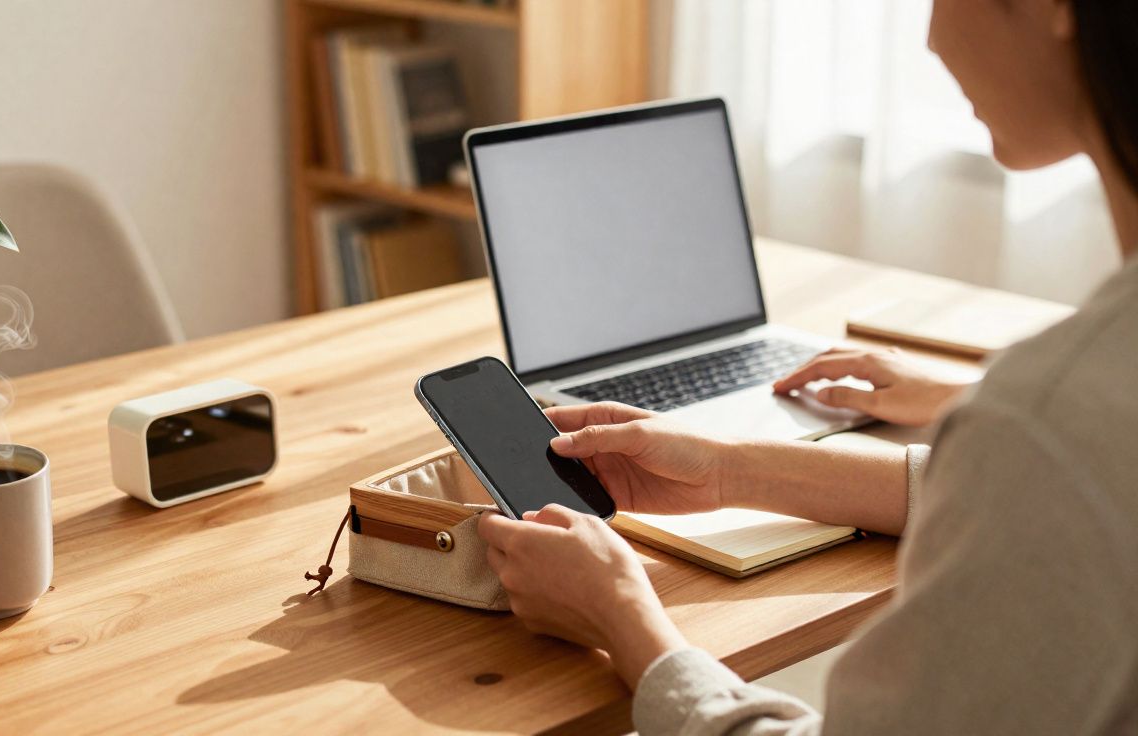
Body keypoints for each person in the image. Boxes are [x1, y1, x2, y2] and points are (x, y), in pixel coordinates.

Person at [477, 1, 1138, 733]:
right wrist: (730, 470)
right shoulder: (1069, 415)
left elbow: (1044, 470)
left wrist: (624, 617)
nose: (929, 38)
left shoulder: (1048, 419)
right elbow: (1035, 490)